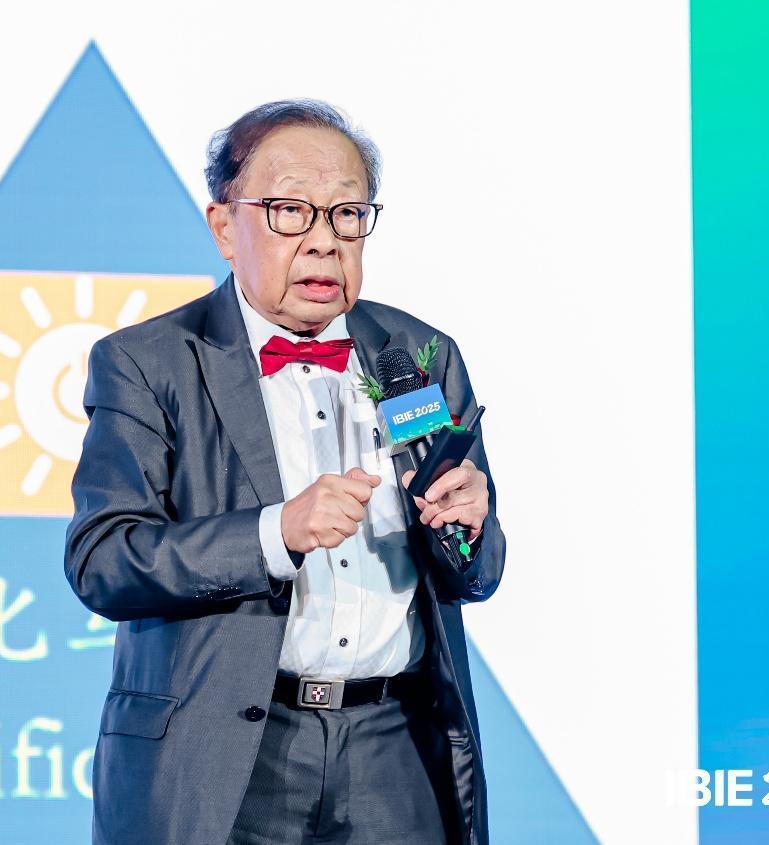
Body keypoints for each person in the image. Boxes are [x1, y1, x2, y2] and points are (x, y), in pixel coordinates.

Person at [64, 99, 506, 845]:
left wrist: (466, 527)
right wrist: (277, 532)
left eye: (347, 214)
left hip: (395, 750)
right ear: (223, 227)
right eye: (290, 211)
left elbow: (477, 573)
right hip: (226, 755)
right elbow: (103, 560)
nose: (324, 241)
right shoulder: (149, 362)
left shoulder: (418, 355)